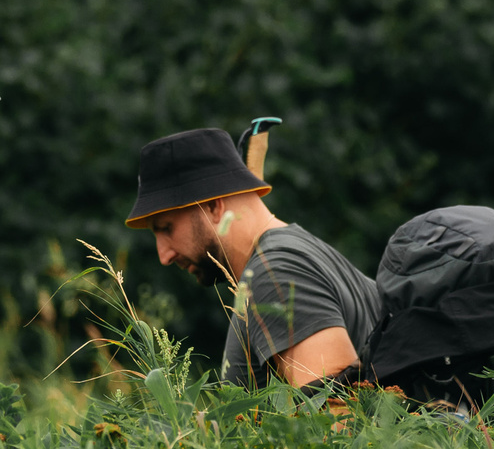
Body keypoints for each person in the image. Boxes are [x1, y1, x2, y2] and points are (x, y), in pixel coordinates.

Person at [125, 127, 381, 388]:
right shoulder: (295, 255)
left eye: (167, 228)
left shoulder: (276, 274)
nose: (163, 256)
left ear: (213, 206)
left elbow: (340, 417)